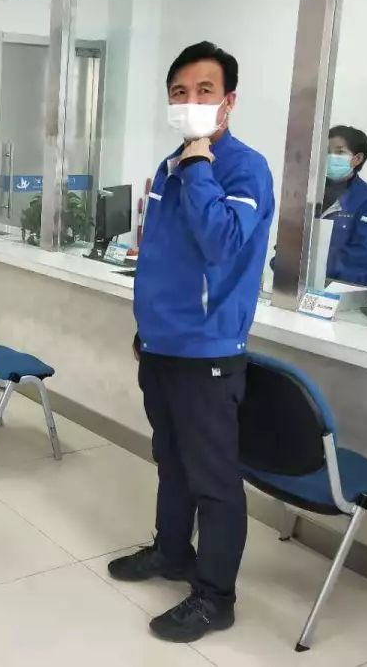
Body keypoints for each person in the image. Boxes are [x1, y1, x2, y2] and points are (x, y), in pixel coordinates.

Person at [108, 42, 274, 643]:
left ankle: (215, 597)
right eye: (180, 92)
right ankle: (172, 552)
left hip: (208, 351)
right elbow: (160, 256)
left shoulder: (243, 168)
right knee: (171, 461)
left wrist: (201, 165)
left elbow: (221, 242)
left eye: (205, 91)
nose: (191, 101)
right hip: (161, 345)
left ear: (229, 101)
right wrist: (147, 328)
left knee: (213, 479)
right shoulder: (167, 166)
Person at [322, 125, 367, 286]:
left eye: (339, 152)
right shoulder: (311, 192)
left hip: (340, 290)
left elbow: (362, 260)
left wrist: (318, 273)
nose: (330, 157)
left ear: (357, 159)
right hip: (299, 283)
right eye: (326, 151)